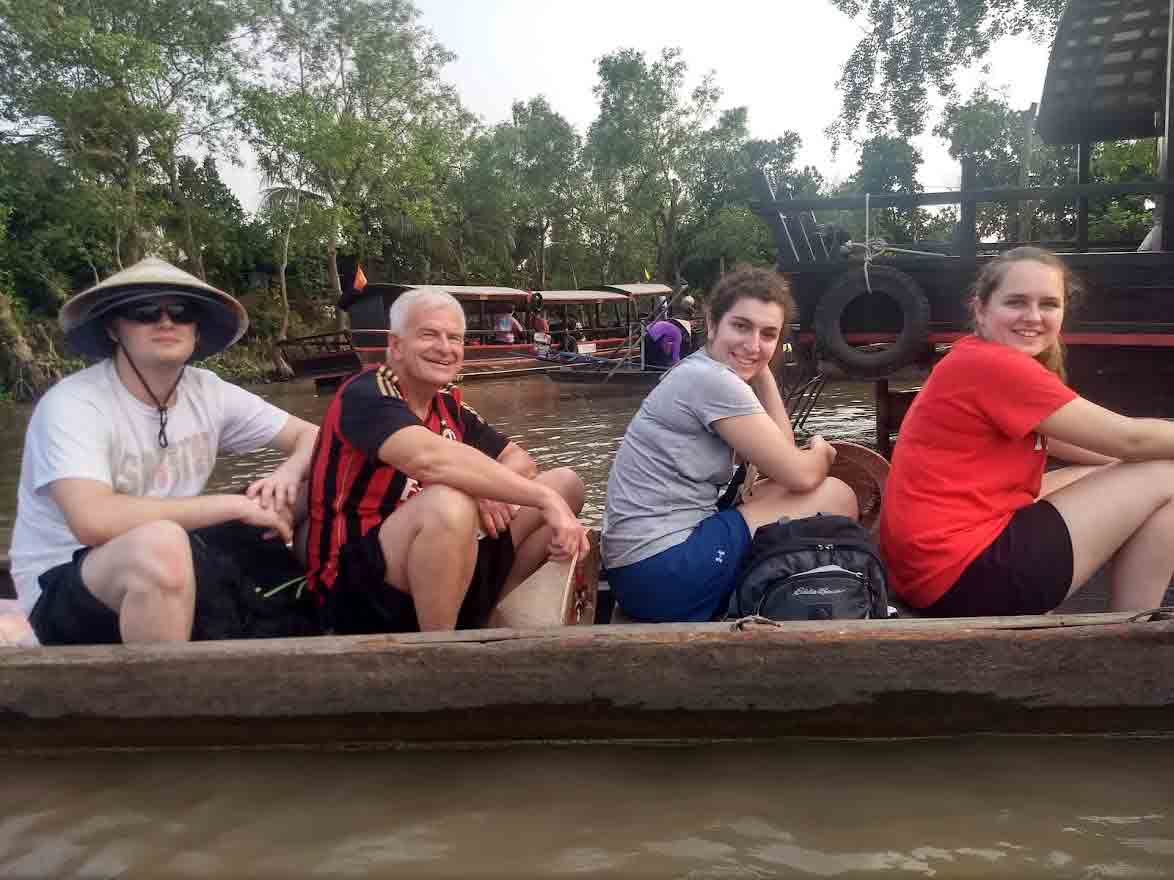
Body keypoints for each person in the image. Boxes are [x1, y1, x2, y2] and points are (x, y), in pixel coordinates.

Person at [6, 257, 319, 646]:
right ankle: (169, 700)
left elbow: (315, 437)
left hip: (177, 552)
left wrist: (286, 474)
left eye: (181, 312)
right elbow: (94, 521)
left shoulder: (208, 390)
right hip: (68, 583)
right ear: (113, 329)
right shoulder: (73, 404)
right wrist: (235, 505)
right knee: (161, 544)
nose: (166, 321)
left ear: (196, 328)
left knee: (306, 493)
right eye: (144, 311)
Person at [881, 246, 1174, 617]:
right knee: (1168, 476)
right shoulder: (993, 366)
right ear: (981, 310)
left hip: (931, 572)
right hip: (967, 576)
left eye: (1049, 304)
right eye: (1016, 302)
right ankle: (1133, 628)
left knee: (1132, 471)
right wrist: (1147, 459)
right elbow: (1130, 439)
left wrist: (1136, 466)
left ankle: (1131, 622)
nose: (1033, 317)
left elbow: (1101, 450)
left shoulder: (971, 358)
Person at [304, 288, 589, 633]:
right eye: (429, 335)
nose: (444, 347)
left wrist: (491, 489)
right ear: (396, 345)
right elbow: (428, 459)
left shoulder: (448, 406)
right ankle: (441, 654)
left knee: (565, 484)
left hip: (438, 561)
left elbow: (520, 461)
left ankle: (493, 614)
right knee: (450, 502)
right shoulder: (367, 394)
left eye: (454, 338)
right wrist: (522, 495)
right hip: (356, 587)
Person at [602, 267, 858, 622]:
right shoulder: (712, 381)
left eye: (768, 334)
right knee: (836, 494)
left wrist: (761, 367)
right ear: (712, 323)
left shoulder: (700, 370)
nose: (753, 344)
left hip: (640, 570)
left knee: (781, 492)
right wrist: (821, 451)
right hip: (662, 571)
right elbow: (798, 475)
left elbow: (778, 457)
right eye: (741, 327)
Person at [644, 295, 697, 368]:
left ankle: (650, 366)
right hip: (651, 336)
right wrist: (677, 366)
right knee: (654, 359)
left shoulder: (671, 329)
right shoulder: (677, 335)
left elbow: (664, 344)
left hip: (648, 331)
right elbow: (675, 354)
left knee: (654, 358)